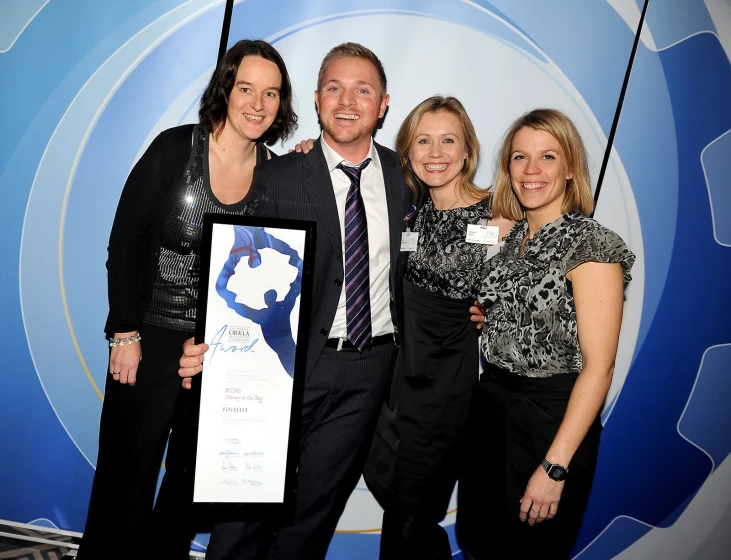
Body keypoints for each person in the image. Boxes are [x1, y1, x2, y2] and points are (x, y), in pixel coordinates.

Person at [179, 42, 413, 560]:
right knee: (245, 512)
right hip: (281, 366)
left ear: (384, 103)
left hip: (368, 370)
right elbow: (231, 264)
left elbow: (443, 242)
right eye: (334, 87)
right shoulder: (281, 174)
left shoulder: (406, 178)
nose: (347, 100)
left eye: (362, 89)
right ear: (315, 98)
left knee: (313, 515)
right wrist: (208, 340)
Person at [77, 39, 297, 560]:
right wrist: (124, 332)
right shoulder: (175, 148)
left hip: (224, 354)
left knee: (189, 488)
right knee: (124, 484)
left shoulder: (276, 172)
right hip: (149, 342)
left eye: (271, 93)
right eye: (247, 88)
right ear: (226, 88)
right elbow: (124, 244)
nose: (257, 104)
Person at [456, 109, 635, 559]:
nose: (531, 170)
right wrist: (493, 315)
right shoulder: (509, 234)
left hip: (551, 420)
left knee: (531, 548)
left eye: (548, 157)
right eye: (520, 157)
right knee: (478, 542)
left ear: (570, 168)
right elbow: (439, 240)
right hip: (490, 408)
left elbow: (600, 367)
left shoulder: (592, 245)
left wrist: (555, 467)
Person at [361, 95, 513, 559]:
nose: (435, 153)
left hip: (448, 390)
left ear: (468, 150)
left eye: (448, 140)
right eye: (423, 141)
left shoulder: (501, 217)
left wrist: (497, 314)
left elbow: (535, 297)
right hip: (394, 383)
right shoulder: (409, 207)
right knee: (400, 506)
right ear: (406, 152)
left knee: (411, 516)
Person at [215, 225, 303, 377]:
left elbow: (224, 293)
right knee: (293, 369)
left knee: (293, 369)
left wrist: (232, 260)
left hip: (281, 345)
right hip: (282, 345)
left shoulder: (263, 315)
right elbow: (298, 282)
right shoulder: (281, 309)